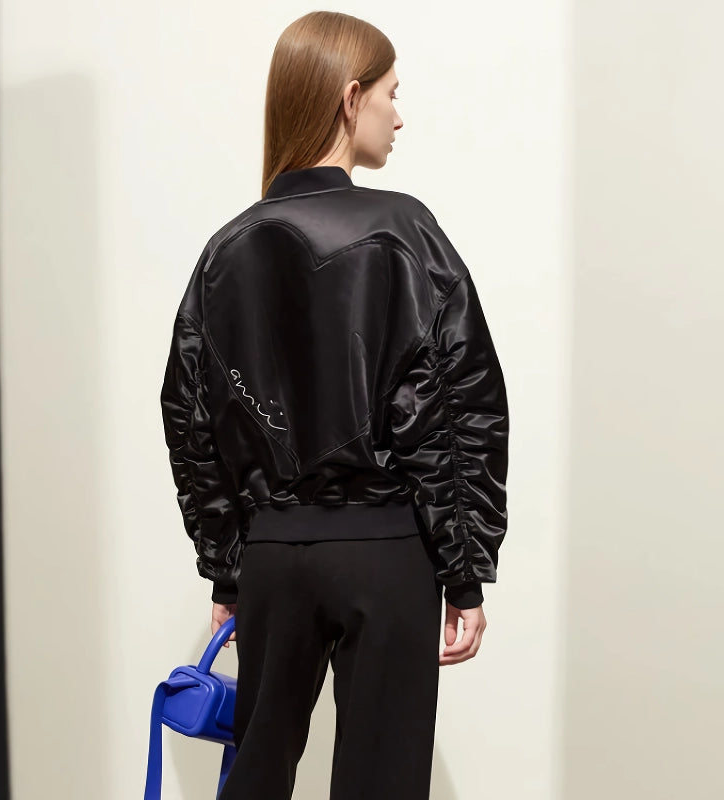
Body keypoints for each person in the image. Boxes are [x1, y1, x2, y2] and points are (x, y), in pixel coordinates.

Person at [160, 10, 509, 800]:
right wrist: (464, 572)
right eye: (392, 93)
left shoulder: (225, 250)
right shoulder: (405, 229)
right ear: (351, 98)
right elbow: (459, 403)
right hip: (386, 553)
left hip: (273, 557)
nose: (399, 115)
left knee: (255, 779)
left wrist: (228, 567)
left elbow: (190, 418)